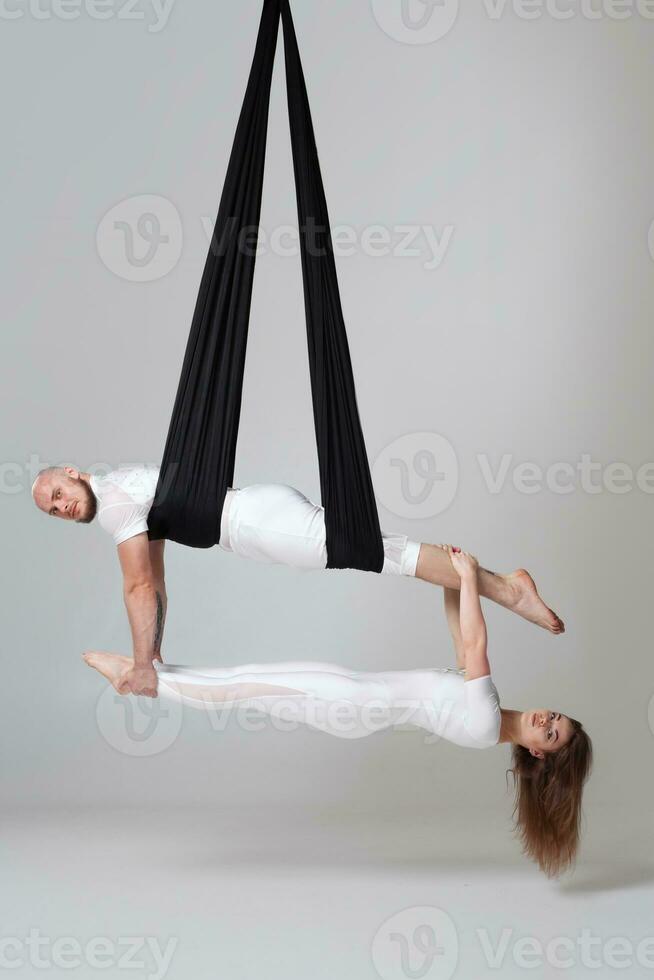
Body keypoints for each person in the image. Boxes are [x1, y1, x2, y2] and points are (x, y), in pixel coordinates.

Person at [83, 548, 592, 877]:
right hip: (351, 697)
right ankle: (149, 672)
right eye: (557, 718)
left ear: (536, 753)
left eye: (550, 735)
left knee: (242, 686)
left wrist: (468, 578)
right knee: (246, 679)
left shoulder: (486, 723)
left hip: (347, 705)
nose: (546, 722)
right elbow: (463, 642)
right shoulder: (482, 705)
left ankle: (136, 678)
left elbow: (478, 642)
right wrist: (454, 579)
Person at [32, 463, 565, 700]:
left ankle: (507, 588)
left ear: (75, 472)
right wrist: (154, 654)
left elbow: (137, 590)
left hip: (260, 524)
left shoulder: (114, 508)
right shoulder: (123, 486)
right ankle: (503, 586)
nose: (62, 506)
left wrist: (146, 668)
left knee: (379, 553)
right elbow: (156, 583)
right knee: (377, 551)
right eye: (54, 510)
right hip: (258, 517)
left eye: (59, 492)